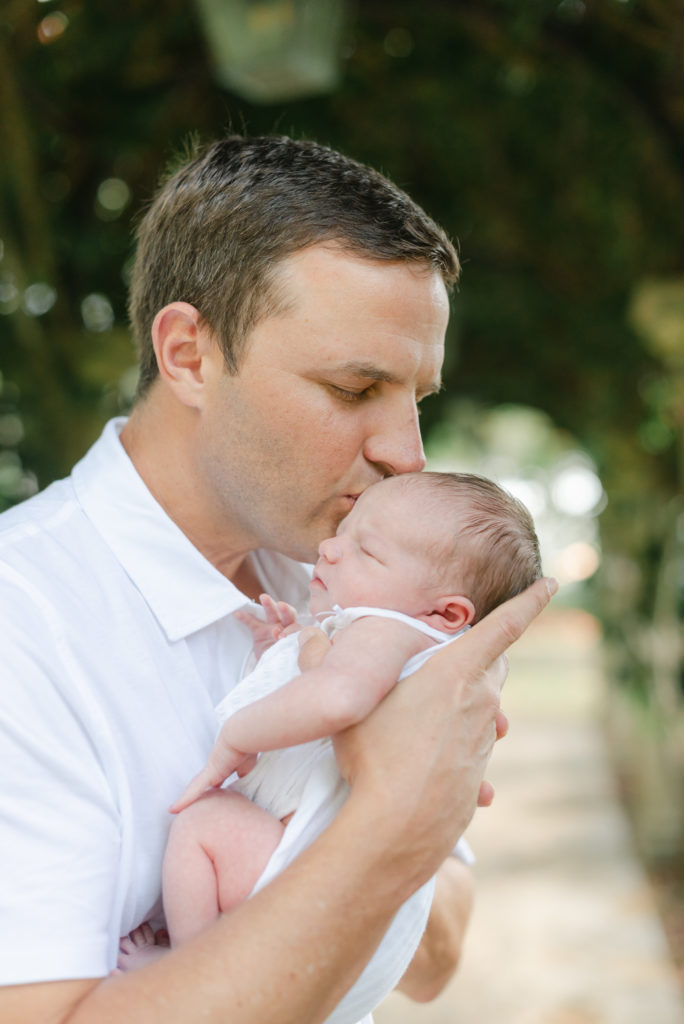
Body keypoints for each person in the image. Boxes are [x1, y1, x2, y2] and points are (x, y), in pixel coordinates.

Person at [0, 133, 556, 1024]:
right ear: (188, 354)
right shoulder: (21, 626)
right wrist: (388, 821)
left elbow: (439, 951)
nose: (407, 455)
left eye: (418, 398)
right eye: (354, 388)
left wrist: (421, 790)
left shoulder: (351, 580)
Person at [125, 470, 541, 1024]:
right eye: (344, 531)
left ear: (446, 614)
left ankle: (186, 958)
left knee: (204, 821)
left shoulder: (387, 628)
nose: (330, 547)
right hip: (356, 936)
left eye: (365, 550)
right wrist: (284, 649)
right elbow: (328, 687)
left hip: (305, 881)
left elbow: (339, 697)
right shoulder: (419, 657)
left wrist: (237, 736)